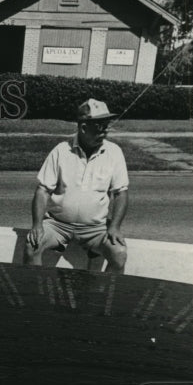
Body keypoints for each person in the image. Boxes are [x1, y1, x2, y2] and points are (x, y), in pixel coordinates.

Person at [24, 98, 129, 273]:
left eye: (107, 123)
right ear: (83, 127)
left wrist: (115, 227)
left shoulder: (114, 152)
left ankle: (103, 298)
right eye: (100, 125)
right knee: (31, 246)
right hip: (58, 225)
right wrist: (37, 225)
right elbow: (42, 191)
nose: (106, 129)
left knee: (119, 253)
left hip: (96, 229)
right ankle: (36, 297)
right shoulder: (60, 151)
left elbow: (121, 193)